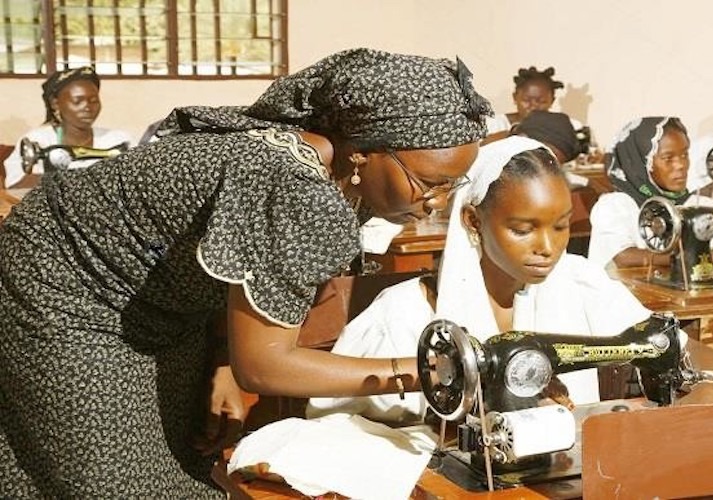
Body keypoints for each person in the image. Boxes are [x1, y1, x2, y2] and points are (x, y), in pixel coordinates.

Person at [0, 48, 491, 498]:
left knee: (183, 464)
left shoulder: (337, 177)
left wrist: (218, 358)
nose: (437, 201)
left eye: (454, 184)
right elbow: (264, 366)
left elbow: (236, 272)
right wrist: (426, 373)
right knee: (111, 480)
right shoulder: (297, 187)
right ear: (364, 151)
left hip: (160, 298)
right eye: (429, 182)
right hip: (61, 285)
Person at [307, 136, 713, 424]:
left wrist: (707, 392)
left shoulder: (581, 283)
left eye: (561, 226)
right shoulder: (404, 314)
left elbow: (687, 350)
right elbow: (332, 423)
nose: (548, 247)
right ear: (474, 221)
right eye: (524, 230)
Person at [588, 116, 713, 270]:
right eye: (668, 158)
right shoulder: (616, 205)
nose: (681, 165)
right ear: (639, 164)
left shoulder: (695, 203)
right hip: (619, 304)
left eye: (684, 155)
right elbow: (624, 257)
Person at [3, 66, 135, 189]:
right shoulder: (36, 140)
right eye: (77, 101)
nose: (88, 107)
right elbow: (14, 186)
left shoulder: (117, 139)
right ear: (55, 104)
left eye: (94, 101)